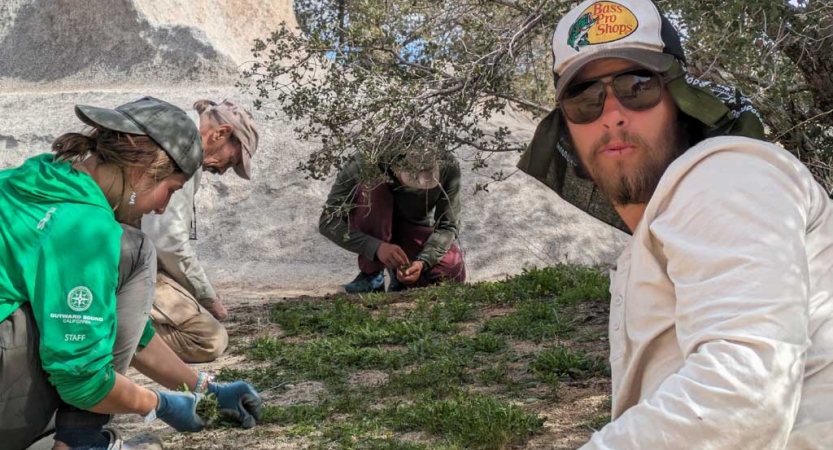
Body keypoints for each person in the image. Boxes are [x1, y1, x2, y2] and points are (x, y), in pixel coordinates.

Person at [518, 0, 833, 448]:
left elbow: (740, 402)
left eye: (636, 85)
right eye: (585, 97)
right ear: (565, 126)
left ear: (678, 99)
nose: (612, 113)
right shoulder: (673, 216)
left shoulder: (726, 176)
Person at [0, 97, 262, 450]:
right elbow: (83, 381)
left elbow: (125, 328)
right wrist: (159, 405)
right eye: (170, 190)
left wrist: (204, 387)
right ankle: (80, 440)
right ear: (144, 169)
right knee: (136, 248)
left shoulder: (40, 177)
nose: (162, 206)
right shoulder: (86, 228)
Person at [141, 99, 259, 363]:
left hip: (115, 253)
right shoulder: (184, 146)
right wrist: (207, 298)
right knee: (209, 339)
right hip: (120, 261)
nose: (222, 171)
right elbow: (168, 241)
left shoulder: (174, 126)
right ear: (222, 133)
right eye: (232, 160)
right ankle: (109, 331)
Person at [319, 145, 466, 293]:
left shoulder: (448, 165)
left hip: (410, 229)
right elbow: (328, 221)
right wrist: (376, 247)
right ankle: (372, 277)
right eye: (411, 182)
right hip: (371, 222)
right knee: (372, 184)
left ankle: (400, 277)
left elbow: (448, 226)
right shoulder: (366, 160)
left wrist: (423, 262)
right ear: (395, 167)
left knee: (453, 270)